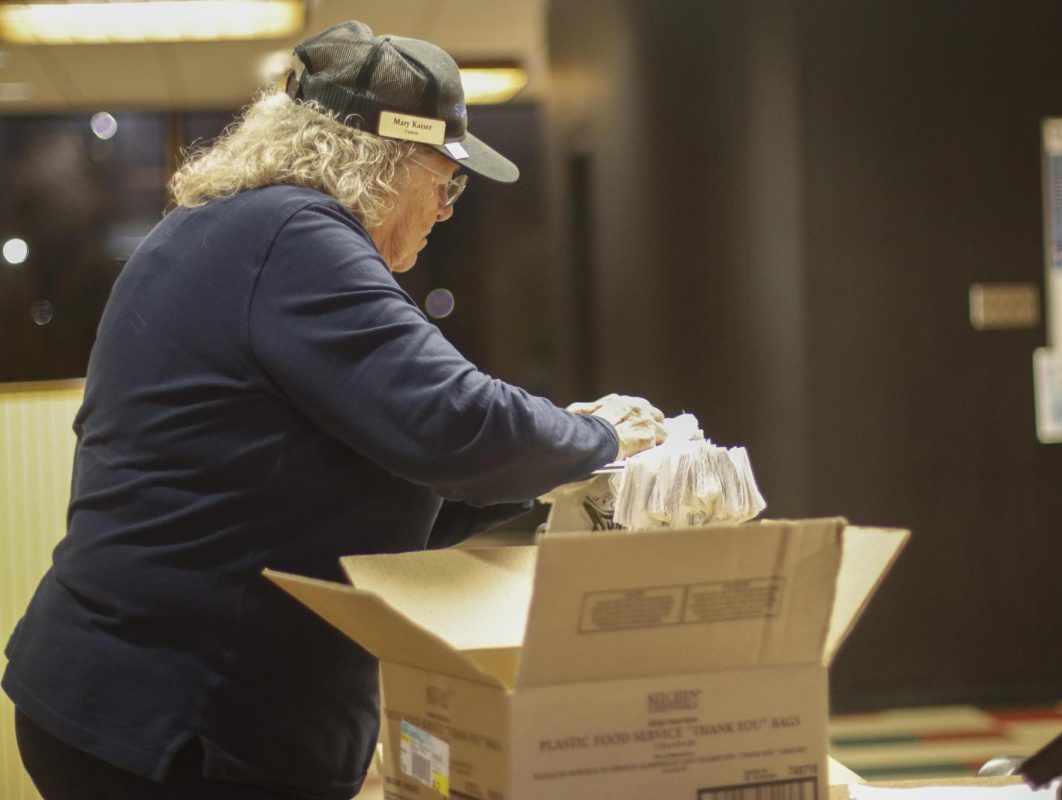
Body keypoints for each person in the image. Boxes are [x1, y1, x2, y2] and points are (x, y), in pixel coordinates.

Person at [3, 20, 664, 800]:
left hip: (127, 699)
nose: (449, 207)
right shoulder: (292, 237)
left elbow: (378, 484)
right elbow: (454, 424)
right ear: (380, 161)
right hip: (180, 727)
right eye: (445, 178)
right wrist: (598, 438)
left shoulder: (225, 231)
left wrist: (544, 472)